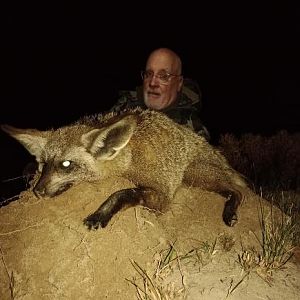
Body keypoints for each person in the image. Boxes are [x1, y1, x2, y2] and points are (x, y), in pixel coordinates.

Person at [110, 47, 210, 140]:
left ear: (179, 83)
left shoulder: (194, 134)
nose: (153, 83)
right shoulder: (123, 107)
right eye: (149, 74)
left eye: (163, 76)